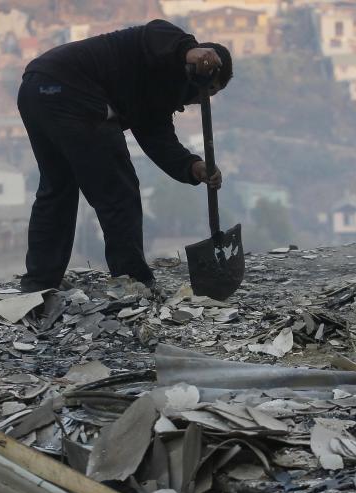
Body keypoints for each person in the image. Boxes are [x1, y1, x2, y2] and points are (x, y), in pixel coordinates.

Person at [16, 19, 232, 292]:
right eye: (210, 89)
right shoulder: (168, 45)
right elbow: (155, 31)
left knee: (57, 188)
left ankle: (41, 282)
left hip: (37, 88)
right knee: (119, 191)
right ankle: (131, 281)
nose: (205, 99)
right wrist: (189, 51)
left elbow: (159, 140)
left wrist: (193, 166)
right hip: (71, 92)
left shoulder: (158, 95)